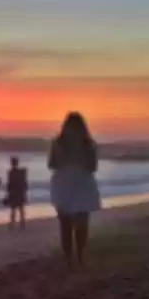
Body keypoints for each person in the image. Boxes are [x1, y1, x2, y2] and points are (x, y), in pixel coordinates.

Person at [48, 112, 101, 266]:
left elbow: (51, 164)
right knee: (82, 223)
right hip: (82, 182)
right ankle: (80, 256)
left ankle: (68, 258)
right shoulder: (88, 144)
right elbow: (93, 168)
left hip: (62, 182)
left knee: (65, 223)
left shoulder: (58, 142)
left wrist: (64, 159)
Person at [6, 156, 28, 229]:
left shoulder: (11, 172)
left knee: (14, 209)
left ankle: (13, 224)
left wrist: (8, 192)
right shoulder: (20, 172)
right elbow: (24, 184)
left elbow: (9, 184)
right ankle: (22, 223)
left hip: (14, 193)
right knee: (20, 209)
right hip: (19, 192)